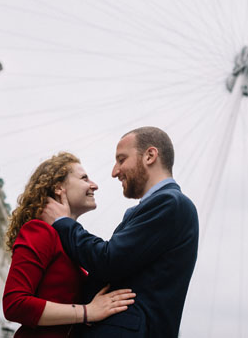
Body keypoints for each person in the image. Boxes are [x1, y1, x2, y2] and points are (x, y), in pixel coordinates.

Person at [41, 127, 199, 338]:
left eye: (121, 160)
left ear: (150, 156)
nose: (114, 171)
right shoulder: (159, 206)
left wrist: (63, 222)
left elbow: (109, 260)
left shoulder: (170, 203)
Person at [3, 152, 136, 337]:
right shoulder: (39, 231)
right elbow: (14, 304)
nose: (94, 185)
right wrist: (87, 312)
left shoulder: (68, 243)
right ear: (59, 188)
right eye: (84, 178)